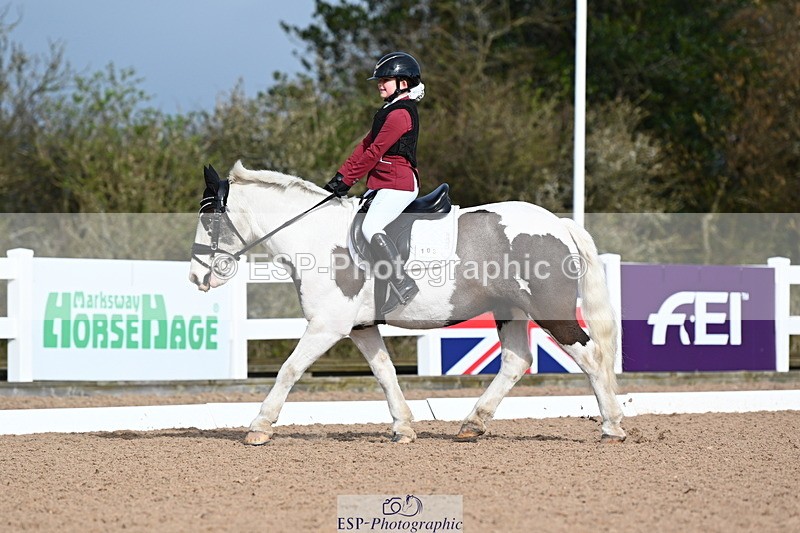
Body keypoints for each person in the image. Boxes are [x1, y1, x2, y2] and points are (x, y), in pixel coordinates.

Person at [324, 51, 425, 314]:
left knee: (371, 227)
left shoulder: (401, 114)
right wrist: (339, 177)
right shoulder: (389, 110)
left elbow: (374, 153)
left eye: (385, 80)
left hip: (399, 183)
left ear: (403, 83)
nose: (380, 84)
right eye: (379, 80)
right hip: (383, 182)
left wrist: (348, 181)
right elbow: (364, 145)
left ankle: (403, 283)